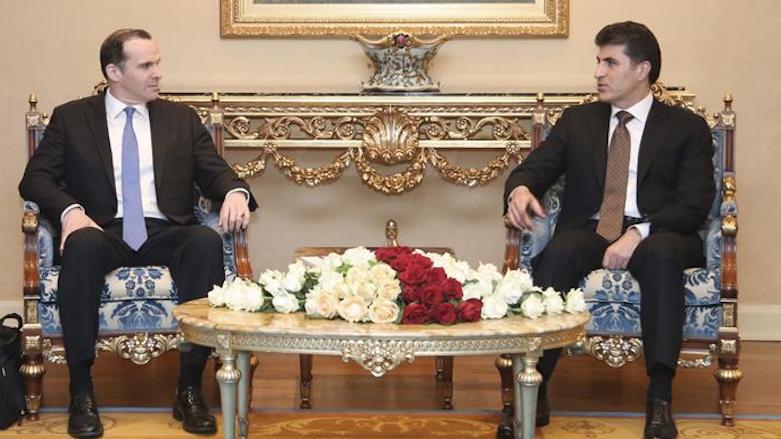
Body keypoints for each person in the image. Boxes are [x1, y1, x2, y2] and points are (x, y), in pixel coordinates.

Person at [19, 29, 258, 438]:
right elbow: (35, 178)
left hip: (164, 229)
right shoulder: (72, 118)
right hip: (101, 228)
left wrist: (236, 192)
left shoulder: (180, 119)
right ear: (114, 72)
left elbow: (215, 172)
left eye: (158, 63)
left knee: (204, 241)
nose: (158, 73)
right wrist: (72, 212)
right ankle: (82, 391)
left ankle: (189, 389)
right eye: (146, 65)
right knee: (81, 244)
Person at [504, 21, 714, 439]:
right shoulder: (578, 121)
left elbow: (694, 204)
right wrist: (521, 188)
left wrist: (639, 234)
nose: (598, 72)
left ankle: (659, 396)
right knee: (560, 252)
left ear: (642, 69)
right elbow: (535, 168)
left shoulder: (685, 127)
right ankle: (534, 387)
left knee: (659, 257)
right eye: (598, 61)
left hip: (662, 232)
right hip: (596, 227)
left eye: (610, 62)